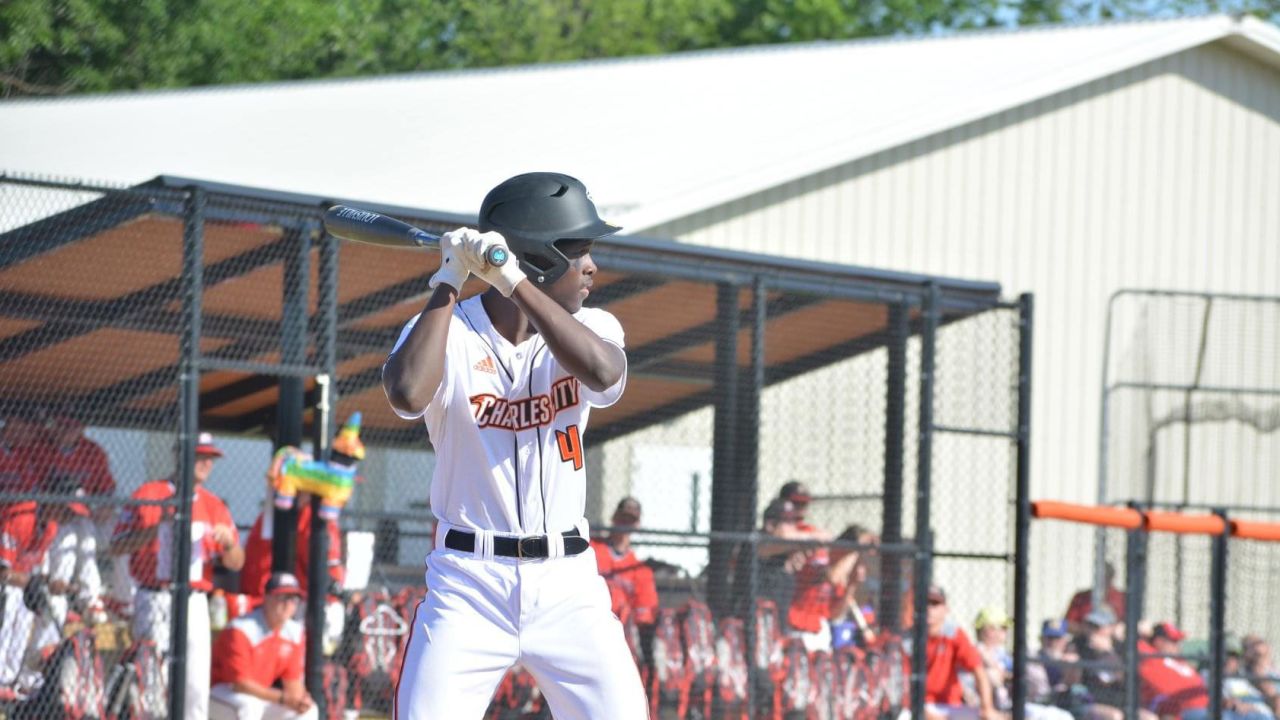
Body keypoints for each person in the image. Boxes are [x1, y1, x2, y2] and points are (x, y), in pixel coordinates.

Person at [382, 171, 646, 719]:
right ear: (541, 257)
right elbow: (407, 394)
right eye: (578, 251)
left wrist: (513, 281)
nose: (592, 266)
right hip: (468, 583)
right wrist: (449, 278)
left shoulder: (595, 326)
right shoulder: (443, 329)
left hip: (568, 581)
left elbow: (602, 374)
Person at [110, 431, 245, 720]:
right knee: (152, 683)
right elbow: (117, 545)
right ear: (181, 455)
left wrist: (229, 545)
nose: (206, 463)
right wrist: (157, 525)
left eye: (210, 458)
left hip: (195, 601)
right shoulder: (149, 493)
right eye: (201, 456)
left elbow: (236, 562)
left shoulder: (214, 505)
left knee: (195, 684)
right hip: (154, 596)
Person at [0, 486, 93, 698]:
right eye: (66, 510)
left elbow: (34, 572)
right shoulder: (21, 517)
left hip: (20, 585)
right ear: (51, 501)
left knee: (30, 606)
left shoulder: (50, 527)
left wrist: (54, 584)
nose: (68, 517)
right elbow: (3, 571)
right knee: (11, 598)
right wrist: (35, 582)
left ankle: (13, 681)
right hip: (6, 585)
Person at [209, 571, 317, 720]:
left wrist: (300, 700)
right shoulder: (242, 629)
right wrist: (283, 698)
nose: (288, 604)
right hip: (220, 693)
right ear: (266, 598)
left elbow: (293, 683)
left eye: (293, 599)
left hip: (258, 695)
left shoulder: (294, 632)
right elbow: (239, 684)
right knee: (250, 706)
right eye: (282, 597)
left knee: (308, 710)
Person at [920, 584, 1000, 720]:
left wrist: (987, 707)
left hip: (951, 706)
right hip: (919, 707)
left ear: (946, 609)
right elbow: (903, 689)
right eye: (925, 603)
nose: (929, 609)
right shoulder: (909, 639)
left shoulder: (954, 634)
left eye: (935, 604)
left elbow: (979, 671)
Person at [591, 496, 659, 627]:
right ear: (614, 517)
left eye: (630, 521)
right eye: (622, 518)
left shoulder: (640, 570)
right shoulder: (592, 548)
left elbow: (644, 616)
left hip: (619, 628)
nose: (625, 523)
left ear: (637, 525)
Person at [1064, 562, 1126, 636]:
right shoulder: (1082, 597)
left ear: (1111, 577)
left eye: (1105, 576)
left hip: (1113, 641)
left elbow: (1129, 626)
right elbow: (1067, 624)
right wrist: (1087, 630)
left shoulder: (1122, 598)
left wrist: (1108, 630)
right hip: (1084, 640)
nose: (1101, 580)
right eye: (1098, 576)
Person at [1244, 636, 1280, 716]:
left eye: (1259, 641)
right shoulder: (1255, 670)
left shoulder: (1272, 668)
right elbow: (1271, 693)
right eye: (1253, 643)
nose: (1258, 644)